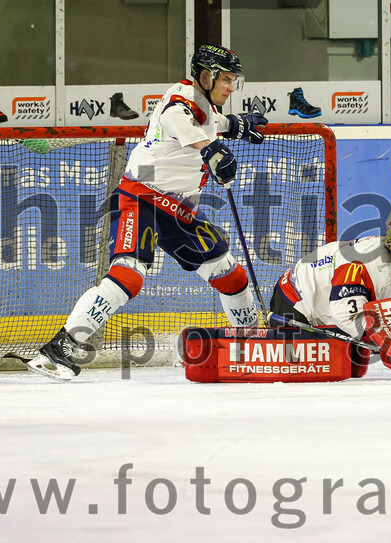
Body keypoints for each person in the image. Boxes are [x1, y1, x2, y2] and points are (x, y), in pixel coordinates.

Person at [27, 44, 268, 381]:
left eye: (234, 80)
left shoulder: (205, 106)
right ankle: (59, 349)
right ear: (205, 77)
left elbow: (213, 123)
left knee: (232, 277)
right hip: (140, 199)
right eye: (227, 79)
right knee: (129, 276)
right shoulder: (179, 105)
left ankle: (252, 344)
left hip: (179, 213)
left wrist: (236, 125)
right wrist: (211, 151)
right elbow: (187, 127)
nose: (232, 86)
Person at [269, 203, 391, 372]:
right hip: (295, 300)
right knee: (307, 371)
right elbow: (346, 314)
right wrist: (389, 342)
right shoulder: (359, 261)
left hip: (334, 312)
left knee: (354, 369)